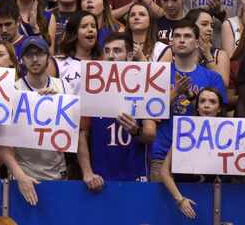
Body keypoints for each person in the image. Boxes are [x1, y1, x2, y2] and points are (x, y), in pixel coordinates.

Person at [78, 32, 157, 191]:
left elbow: (150, 135)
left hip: (136, 175)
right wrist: (87, 172)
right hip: (100, 178)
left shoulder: (144, 87)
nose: (110, 56)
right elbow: (81, 133)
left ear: (129, 55)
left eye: (116, 51)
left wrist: (136, 130)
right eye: (106, 51)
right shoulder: (91, 88)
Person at [150, 20, 226, 181]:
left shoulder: (212, 78)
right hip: (162, 153)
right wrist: (175, 92)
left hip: (201, 155)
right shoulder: (156, 74)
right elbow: (150, 115)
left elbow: (220, 120)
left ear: (197, 42)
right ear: (171, 42)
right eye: (177, 36)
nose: (181, 40)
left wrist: (193, 98)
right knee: (158, 206)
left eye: (187, 36)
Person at [0, 36, 67, 205]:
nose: (35, 59)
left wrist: (56, 104)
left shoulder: (63, 87)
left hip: (58, 175)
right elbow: (2, 142)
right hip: (23, 175)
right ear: (21, 60)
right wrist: (20, 176)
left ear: (49, 58)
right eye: (29, 55)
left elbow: (76, 133)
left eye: (40, 53)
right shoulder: (12, 90)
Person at [160, 87, 226, 219]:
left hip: (219, 200)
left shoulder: (231, 134)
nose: (206, 105)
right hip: (187, 197)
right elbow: (164, 171)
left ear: (219, 108)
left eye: (212, 102)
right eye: (202, 101)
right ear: (197, 107)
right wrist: (180, 200)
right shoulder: (185, 132)